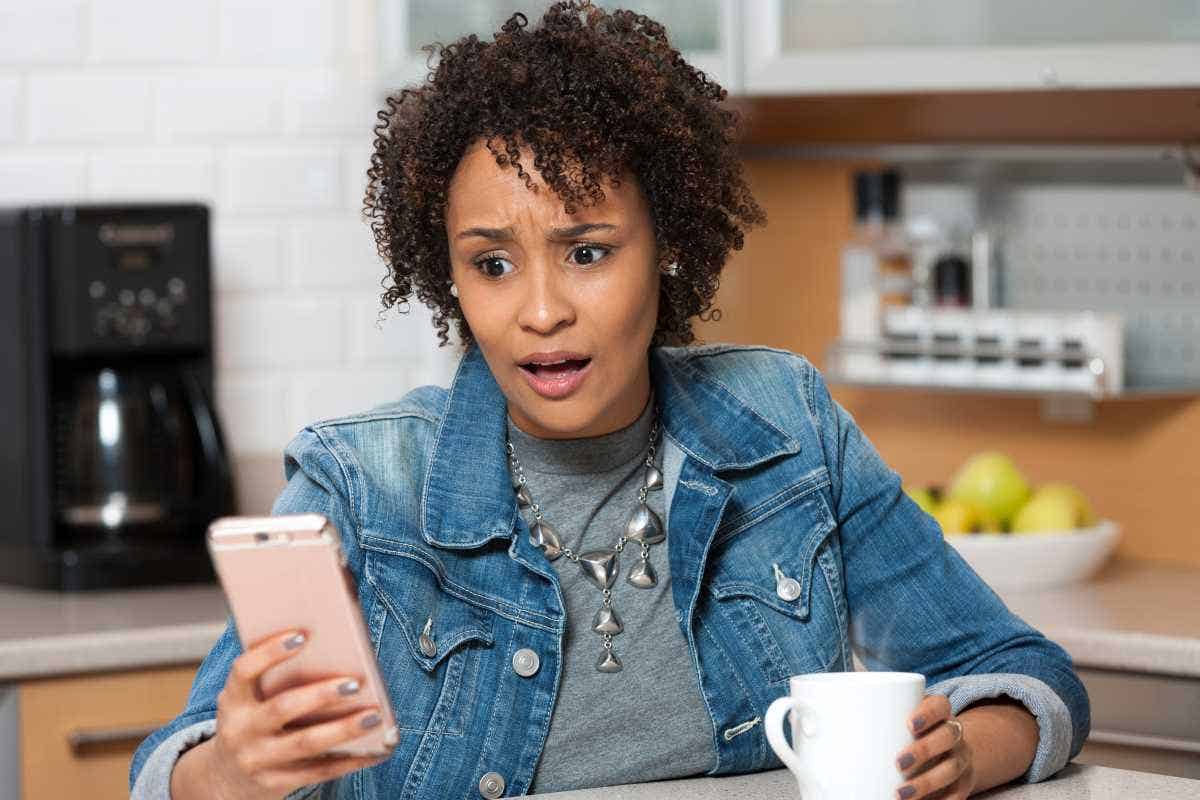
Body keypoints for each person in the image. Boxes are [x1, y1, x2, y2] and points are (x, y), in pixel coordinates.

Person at [131, 3, 1089, 798]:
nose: (541, 311)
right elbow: (171, 767)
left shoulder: (786, 426)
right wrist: (230, 773)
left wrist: (963, 757)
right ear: (448, 277)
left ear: (665, 244)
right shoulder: (365, 484)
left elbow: (1025, 676)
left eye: (587, 252)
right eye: (492, 264)